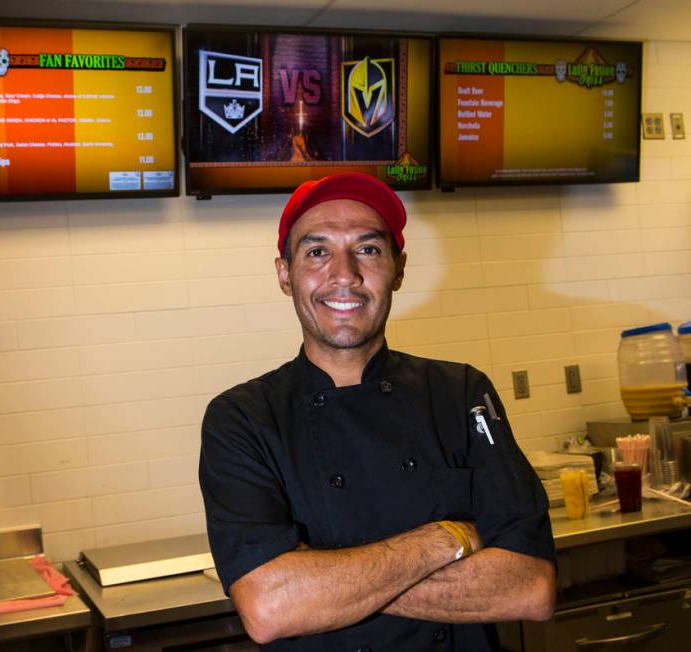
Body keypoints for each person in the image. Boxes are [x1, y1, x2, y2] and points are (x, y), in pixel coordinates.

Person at [199, 172, 556, 651]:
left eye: (368, 249)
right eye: (316, 251)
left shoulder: (461, 391)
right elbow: (270, 608)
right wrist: (445, 540)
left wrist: (321, 580)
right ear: (285, 274)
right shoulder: (242, 419)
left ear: (399, 268)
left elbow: (529, 588)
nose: (344, 274)